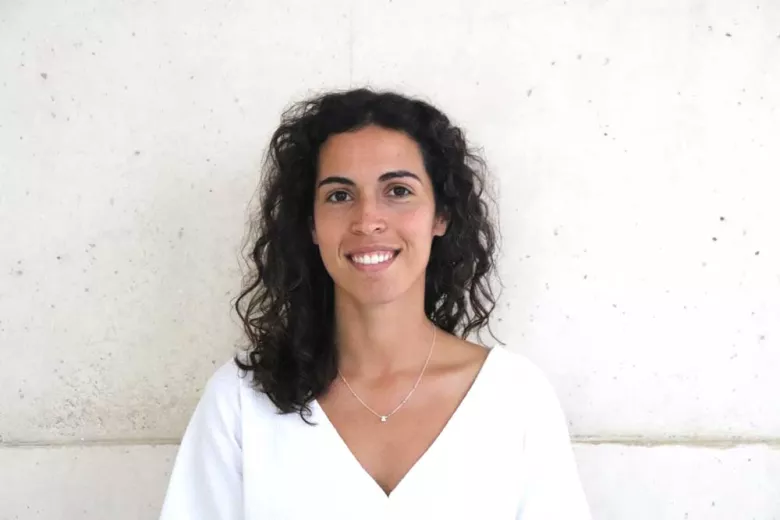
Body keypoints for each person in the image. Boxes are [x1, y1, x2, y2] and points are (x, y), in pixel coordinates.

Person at [159, 88, 592, 519]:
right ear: (311, 225)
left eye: (398, 191)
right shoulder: (241, 401)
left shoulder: (515, 396)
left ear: (441, 215)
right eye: (340, 195)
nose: (367, 221)